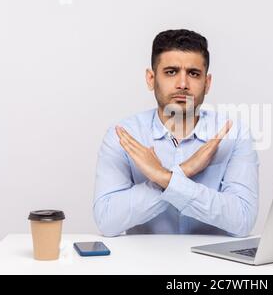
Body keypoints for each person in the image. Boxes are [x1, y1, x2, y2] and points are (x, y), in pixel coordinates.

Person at [93, 29, 259, 238]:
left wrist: (165, 177)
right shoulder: (124, 135)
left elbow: (242, 220)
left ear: (207, 83)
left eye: (193, 73)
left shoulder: (234, 134)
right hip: (144, 265)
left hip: (213, 267)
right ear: (151, 79)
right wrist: (185, 170)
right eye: (171, 72)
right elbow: (107, 221)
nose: (182, 84)